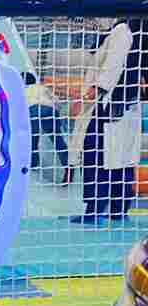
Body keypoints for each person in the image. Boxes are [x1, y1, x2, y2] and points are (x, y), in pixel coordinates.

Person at [52, 18, 143, 223]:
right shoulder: (126, 32)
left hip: (107, 107)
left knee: (97, 158)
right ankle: (117, 211)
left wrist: (85, 98)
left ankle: (95, 211)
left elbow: (111, 68)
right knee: (120, 161)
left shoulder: (121, 31)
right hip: (120, 108)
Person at [24, 72, 72, 182]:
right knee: (57, 139)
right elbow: (57, 102)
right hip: (50, 110)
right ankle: (68, 166)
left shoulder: (22, 90)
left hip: (34, 110)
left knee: (33, 139)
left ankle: (33, 165)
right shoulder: (43, 88)